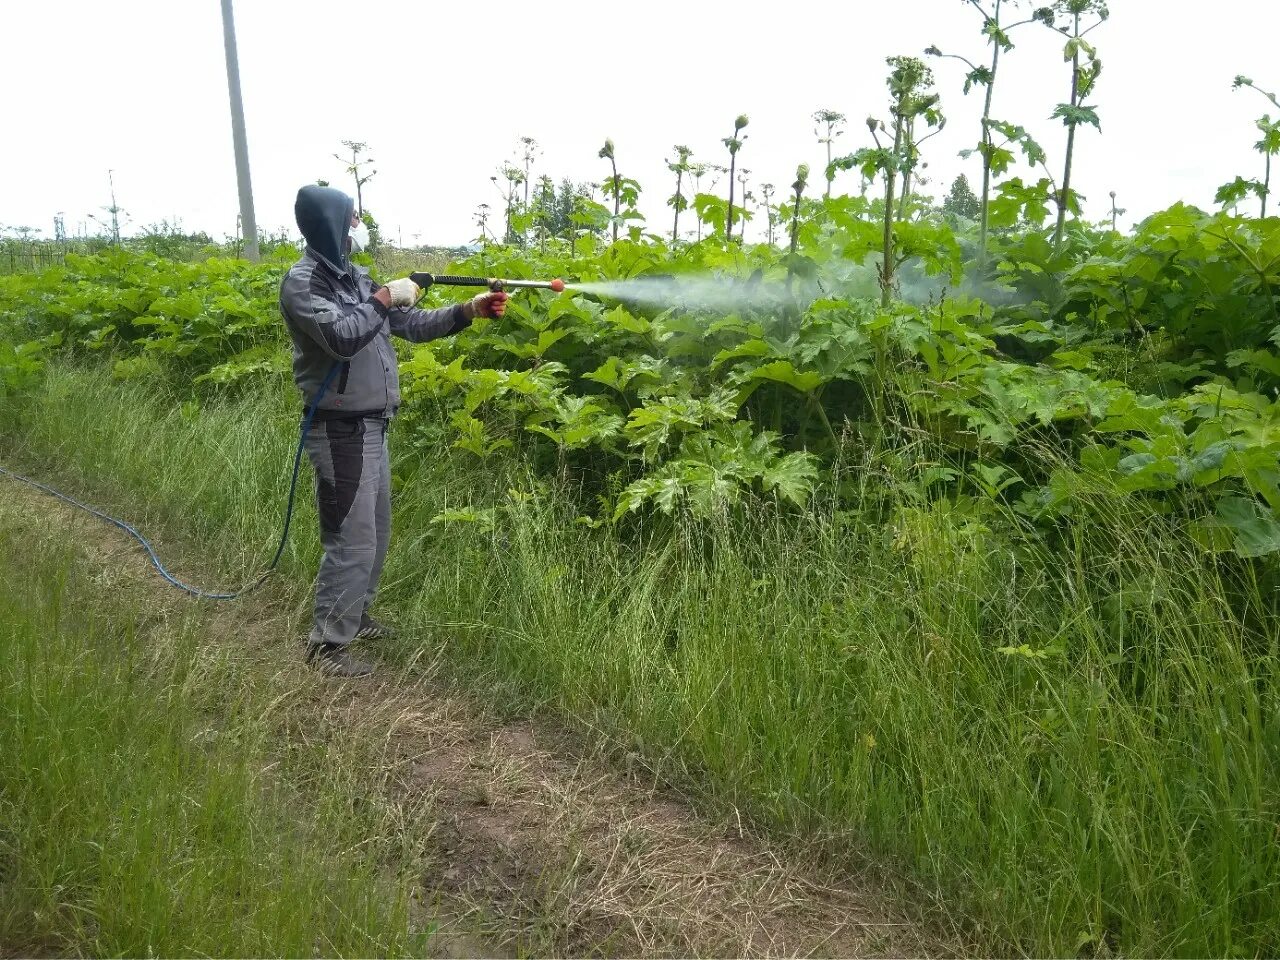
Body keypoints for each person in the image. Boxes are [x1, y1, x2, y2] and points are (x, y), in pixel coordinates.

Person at [279, 185, 507, 677]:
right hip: (339, 430)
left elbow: (410, 324)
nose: (358, 227)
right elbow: (342, 337)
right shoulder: (304, 284)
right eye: (351, 219)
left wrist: (468, 312)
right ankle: (328, 646)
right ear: (332, 224)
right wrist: (384, 297)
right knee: (351, 537)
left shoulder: (356, 279)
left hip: (373, 426)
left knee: (375, 532)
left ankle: (356, 618)